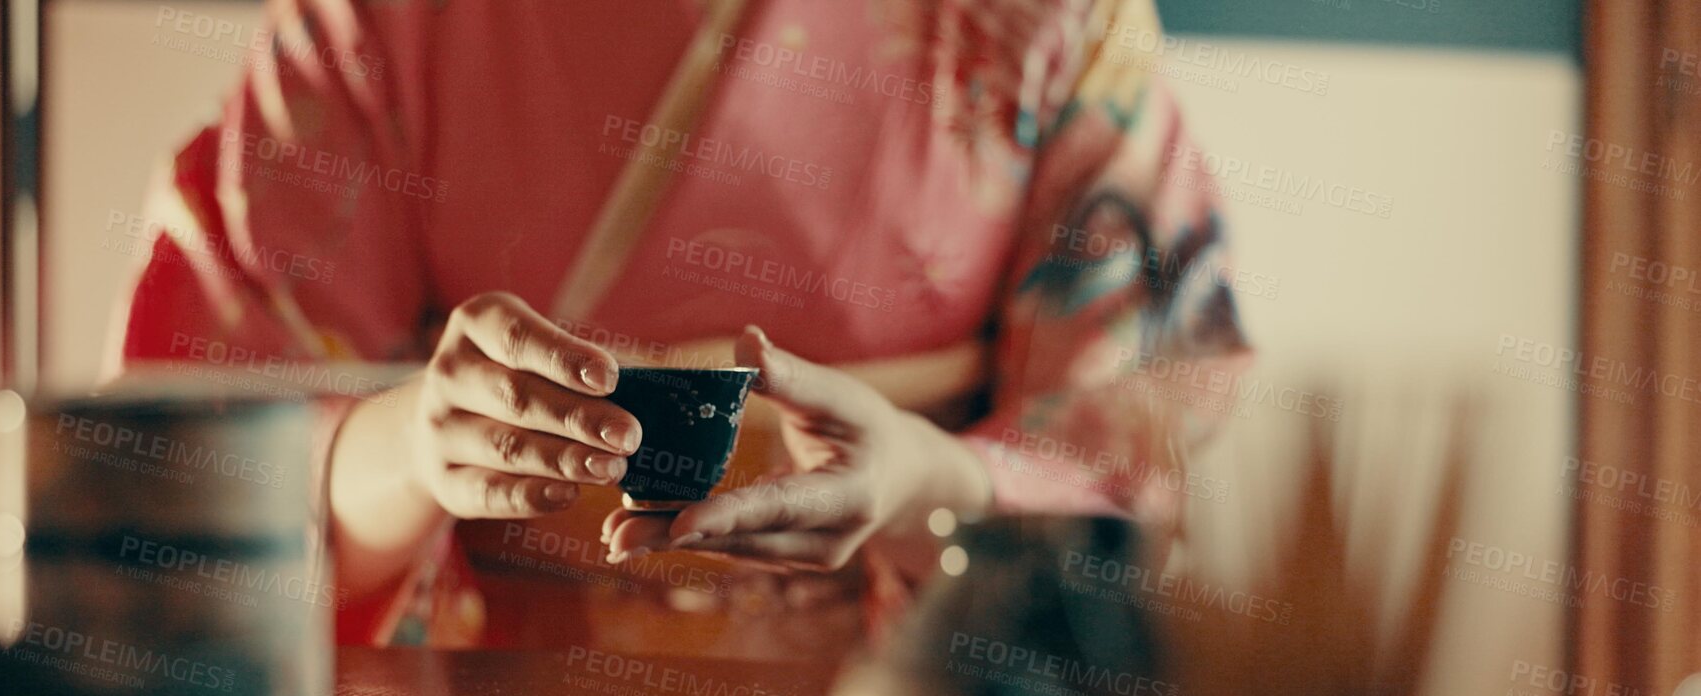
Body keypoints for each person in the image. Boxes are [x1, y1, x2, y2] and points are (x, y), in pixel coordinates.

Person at [114, 0, 1252, 654]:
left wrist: (923, 482)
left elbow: (1126, 451)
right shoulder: (382, 18)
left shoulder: (1043, 19)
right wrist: (416, 443)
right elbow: (210, 469)